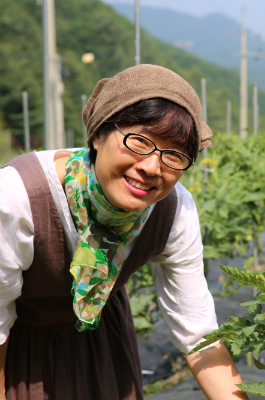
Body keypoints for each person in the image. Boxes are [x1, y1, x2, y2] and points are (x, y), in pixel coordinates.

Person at [0, 65, 249, 400]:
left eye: (173, 154)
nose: (150, 167)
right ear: (98, 134)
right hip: (17, 351)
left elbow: (198, 334)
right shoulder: (18, 197)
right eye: (139, 141)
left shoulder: (174, 210)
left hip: (105, 344)